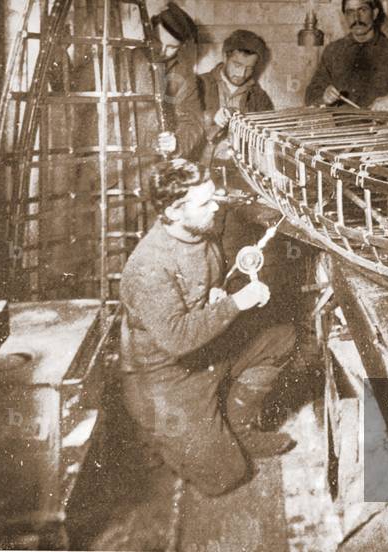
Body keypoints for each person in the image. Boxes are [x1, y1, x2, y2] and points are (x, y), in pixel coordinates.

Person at [119, 160, 297, 496]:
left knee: (282, 338)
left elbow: (206, 286)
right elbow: (176, 338)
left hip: (206, 351)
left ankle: (237, 428)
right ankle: (160, 434)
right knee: (227, 475)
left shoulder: (202, 230)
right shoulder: (149, 266)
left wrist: (218, 293)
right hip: (168, 375)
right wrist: (235, 303)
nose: (216, 207)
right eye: (205, 203)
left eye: (214, 197)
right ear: (174, 211)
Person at [304, 0, 388, 112]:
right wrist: (324, 96)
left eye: (362, 10)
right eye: (350, 12)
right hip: (339, 129)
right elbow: (311, 94)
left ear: (375, 13)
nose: (356, 18)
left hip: (381, 129)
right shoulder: (332, 51)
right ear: (344, 16)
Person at [199, 29, 275, 167]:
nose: (241, 74)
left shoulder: (259, 97)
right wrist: (211, 119)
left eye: (249, 68)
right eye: (237, 65)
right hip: (204, 168)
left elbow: (267, 143)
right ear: (224, 57)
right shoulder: (199, 85)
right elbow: (186, 131)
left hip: (241, 171)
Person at [152, 3, 207, 160]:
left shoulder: (182, 75)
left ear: (181, 47)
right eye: (157, 41)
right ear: (149, 34)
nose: (162, 51)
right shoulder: (123, 60)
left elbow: (192, 121)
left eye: (171, 47)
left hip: (154, 163)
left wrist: (177, 142)